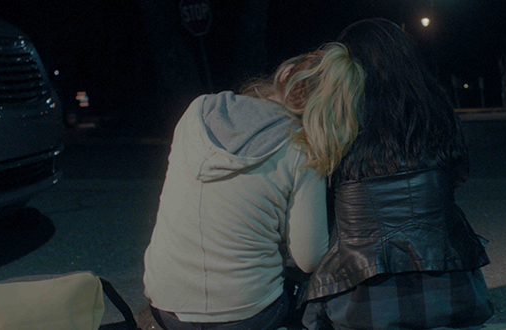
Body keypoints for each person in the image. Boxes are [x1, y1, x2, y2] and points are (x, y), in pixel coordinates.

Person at [143, 42, 365, 330]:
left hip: (165, 302)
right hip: (244, 314)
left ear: (284, 74)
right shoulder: (302, 150)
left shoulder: (197, 111)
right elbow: (309, 258)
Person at [301, 18, 494, 329]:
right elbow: (456, 180)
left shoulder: (336, 124)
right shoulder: (437, 113)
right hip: (451, 293)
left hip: (364, 303)